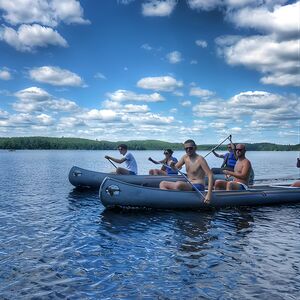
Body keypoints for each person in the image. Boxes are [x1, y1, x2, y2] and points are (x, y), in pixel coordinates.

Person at [159, 139, 213, 204]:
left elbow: (210, 175)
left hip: (198, 186)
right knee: (162, 183)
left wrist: (209, 195)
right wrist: (172, 165)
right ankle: (169, 199)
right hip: (188, 185)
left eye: (190, 148)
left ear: (195, 148)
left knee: (179, 184)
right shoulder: (185, 157)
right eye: (186, 148)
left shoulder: (200, 159)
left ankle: (172, 198)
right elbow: (175, 169)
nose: (188, 150)